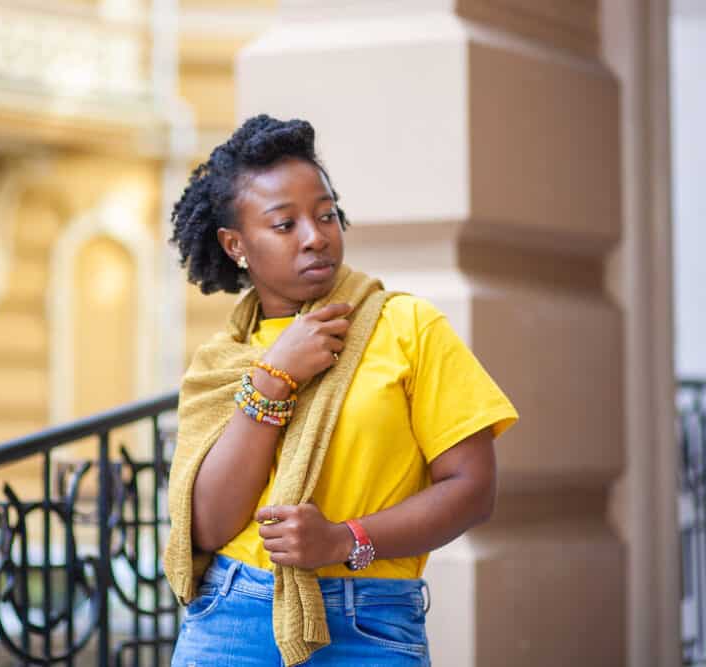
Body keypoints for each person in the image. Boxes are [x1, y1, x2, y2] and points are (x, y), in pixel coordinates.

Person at [164, 115, 518, 667]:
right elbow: (207, 525)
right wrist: (272, 377)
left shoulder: (407, 328)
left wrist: (344, 540)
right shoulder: (220, 363)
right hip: (231, 619)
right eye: (285, 225)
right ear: (236, 245)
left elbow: (473, 488)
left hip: (369, 623)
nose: (315, 236)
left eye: (326, 214)